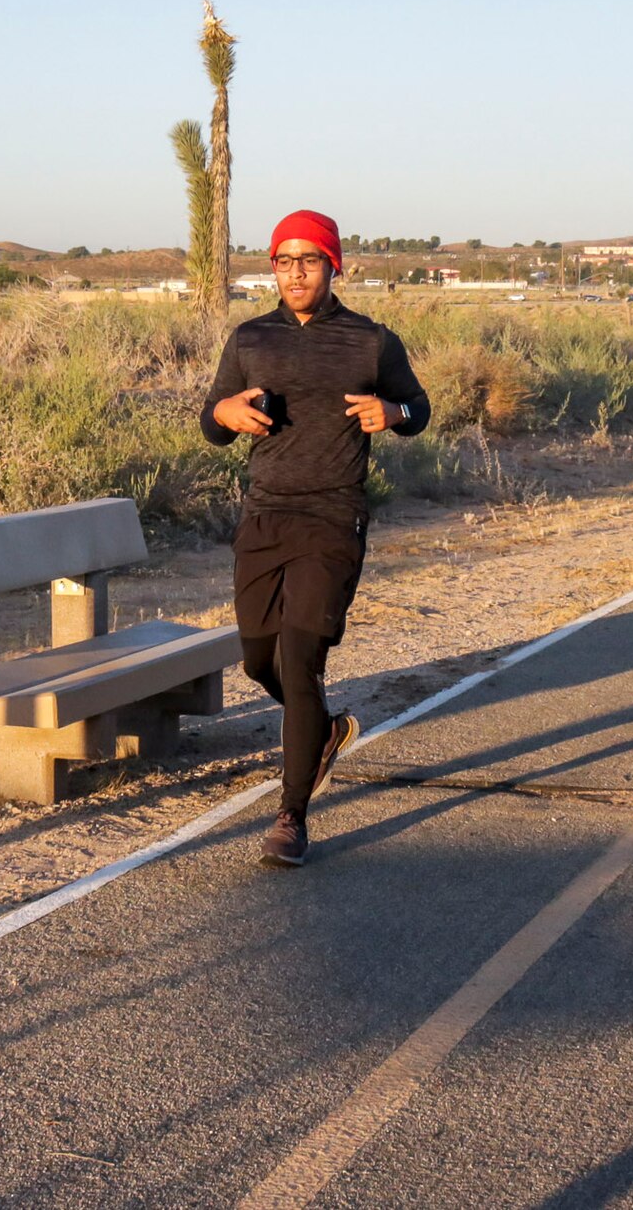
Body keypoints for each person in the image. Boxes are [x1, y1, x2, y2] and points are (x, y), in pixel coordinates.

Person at [201, 209, 430, 868]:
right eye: (283, 259)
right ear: (271, 267)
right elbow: (211, 422)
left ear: (335, 266)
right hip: (265, 515)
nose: (296, 271)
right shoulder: (249, 338)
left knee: (299, 659)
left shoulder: (371, 342)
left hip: (333, 516)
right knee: (257, 660)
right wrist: (224, 412)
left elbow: (420, 409)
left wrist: (392, 411)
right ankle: (324, 729)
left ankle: (291, 814)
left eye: (309, 259)